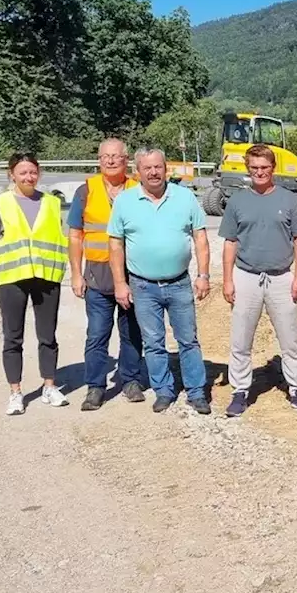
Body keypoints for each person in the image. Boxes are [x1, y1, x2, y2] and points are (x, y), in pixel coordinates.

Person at [106, 148, 213, 415]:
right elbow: (115, 245)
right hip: (143, 285)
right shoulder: (125, 201)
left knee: (188, 339)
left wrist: (203, 275)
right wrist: (120, 283)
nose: (153, 172)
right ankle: (164, 391)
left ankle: (196, 392)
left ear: (166, 169)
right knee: (153, 342)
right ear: (137, 172)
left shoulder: (185, 197)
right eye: (147, 168)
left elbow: (200, 238)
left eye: (158, 167)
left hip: (179, 283)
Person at [220, 144, 297, 417]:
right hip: (246, 276)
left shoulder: (288, 200)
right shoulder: (238, 201)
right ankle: (239, 392)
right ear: (248, 169)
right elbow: (230, 243)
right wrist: (227, 280)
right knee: (241, 339)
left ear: (273, 168)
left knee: (290, 339)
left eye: (264, 167)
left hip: (281, 278)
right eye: (254, 168)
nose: (260, 172)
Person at [0, 151, 70, 416]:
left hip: (46, 277)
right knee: (13, 337)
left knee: (48, 336)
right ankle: (16, 392)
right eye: (22, 172)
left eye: (32, 172)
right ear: (12, 174)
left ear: (39, 173)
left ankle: (49, 386)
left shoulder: (53, 203)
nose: (28, 177)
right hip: (12, 279)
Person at [67, 138, 146, 411]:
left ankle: (131, 380)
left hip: (133, 274)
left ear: (127, 160)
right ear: (99, 160)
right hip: (98, 277)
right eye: (105, 156)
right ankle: (96, 387)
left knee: (132, 333)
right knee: (97, 335)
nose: (111, 161)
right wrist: (76, 274)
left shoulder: (139, 189)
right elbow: (76, 236)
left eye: (116, 156)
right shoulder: (85, 191)